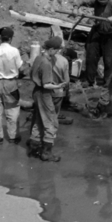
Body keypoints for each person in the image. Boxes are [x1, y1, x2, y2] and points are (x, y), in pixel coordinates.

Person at [29, 32, 69, 160]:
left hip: (36, 91)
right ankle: (46, 153)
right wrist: (58, 86)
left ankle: (34, 146)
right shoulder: (46, 63)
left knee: (38, 119)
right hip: (44, 93)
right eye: (56, 50)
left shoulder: (38, 58)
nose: (56, 53)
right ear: (51, 49)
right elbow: (46, 85)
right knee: (51, 122)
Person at [0, 25, 24, 144]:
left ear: (1, 38)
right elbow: (20, 68)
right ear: (11, 38)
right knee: (12, 110)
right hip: (10, 83)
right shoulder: (14, 51)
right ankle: (12, 136)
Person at [80, 0, 112, 87]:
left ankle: (107, 81)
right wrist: (76, 6)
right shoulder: (95, 2)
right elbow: (83, 1)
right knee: (91, 57)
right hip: (97, 32)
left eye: (103, 0)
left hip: (109, 35)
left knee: (108, 61)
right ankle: (89, 80)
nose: (101, 2)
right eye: (99, 0)